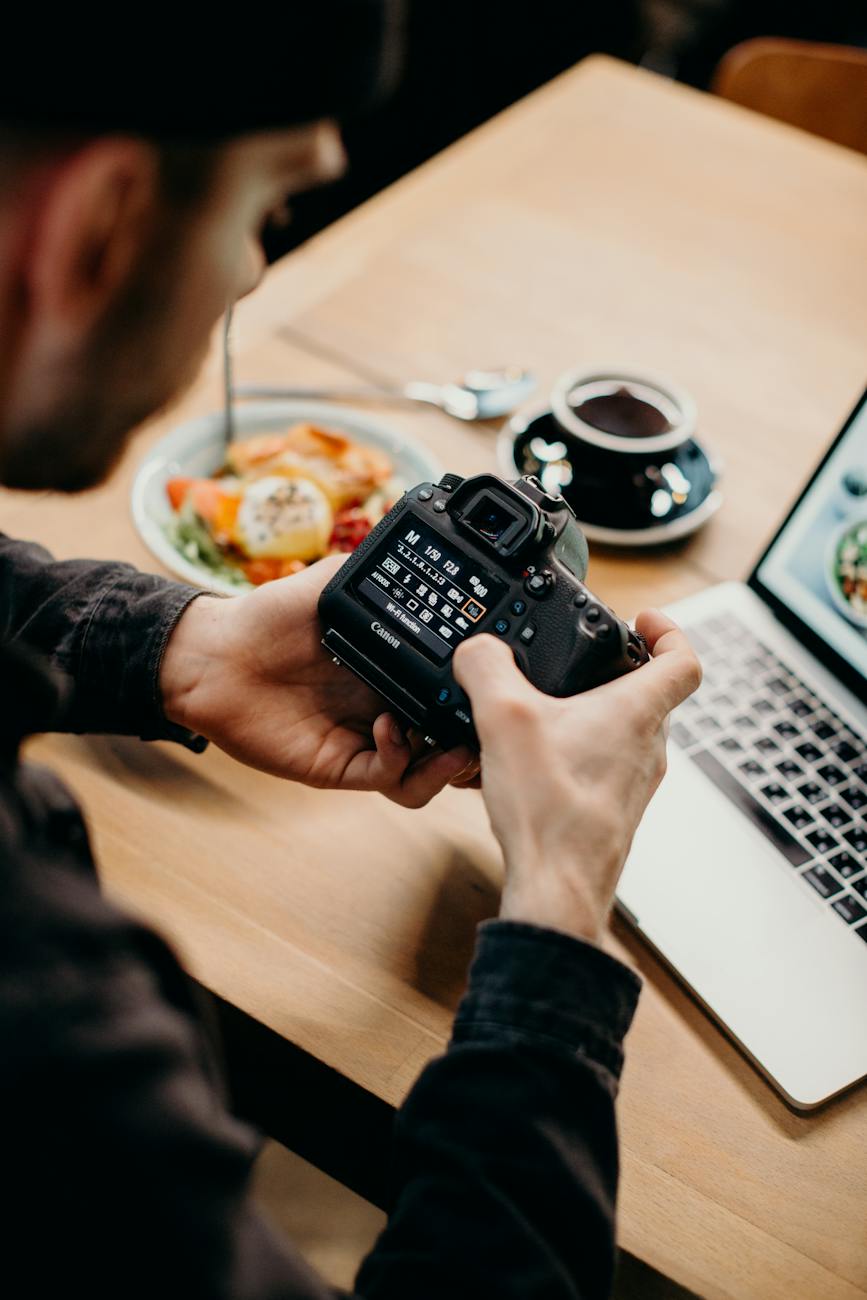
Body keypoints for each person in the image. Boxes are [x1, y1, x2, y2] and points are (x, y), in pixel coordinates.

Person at [0, 5, 700, 1297]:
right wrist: (553, 914)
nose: (253, 274)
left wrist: (176, 646)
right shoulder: (41, 1017)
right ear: (96, 223)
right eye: (271, 208)